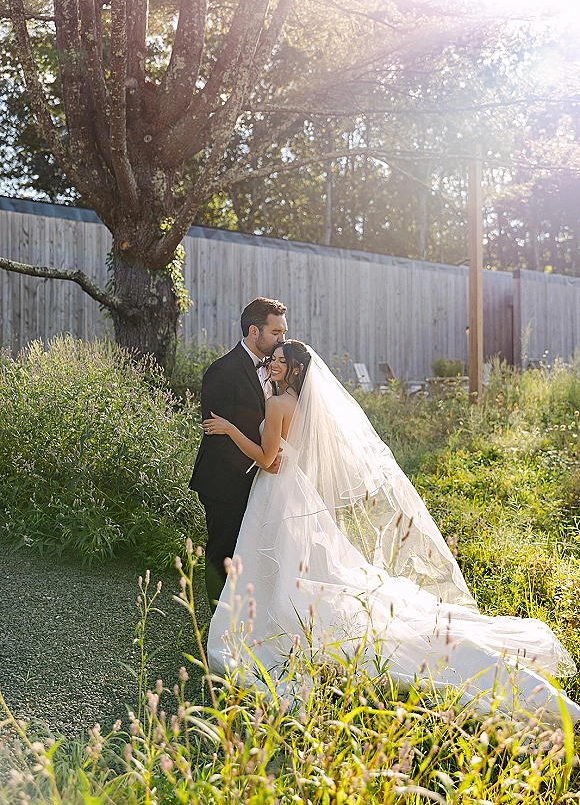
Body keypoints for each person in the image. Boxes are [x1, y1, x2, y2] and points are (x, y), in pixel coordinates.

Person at [202, 340, 580, 725]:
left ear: (296, 369)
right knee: (293, 563)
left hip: (277, 492)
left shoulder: (278, 404)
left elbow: (267, 459)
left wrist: (231, 429)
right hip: (294, 489)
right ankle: (279, 617)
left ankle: (276, 624)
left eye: (282, 362)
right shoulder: (300, 404)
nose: (275, 365)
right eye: (274, 360)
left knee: (278, 561)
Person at [189, 297, 288, 607]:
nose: (281, 340)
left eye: (283, 333)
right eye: (276, 333)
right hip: (225, 481)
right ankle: (218, 625)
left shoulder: (279, 371)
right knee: (224, 550)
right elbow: (216, 434)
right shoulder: (222, 371)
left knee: (254, 549)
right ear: (254, 331)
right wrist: (261, 461)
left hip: (262, 481)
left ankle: (249, 614)